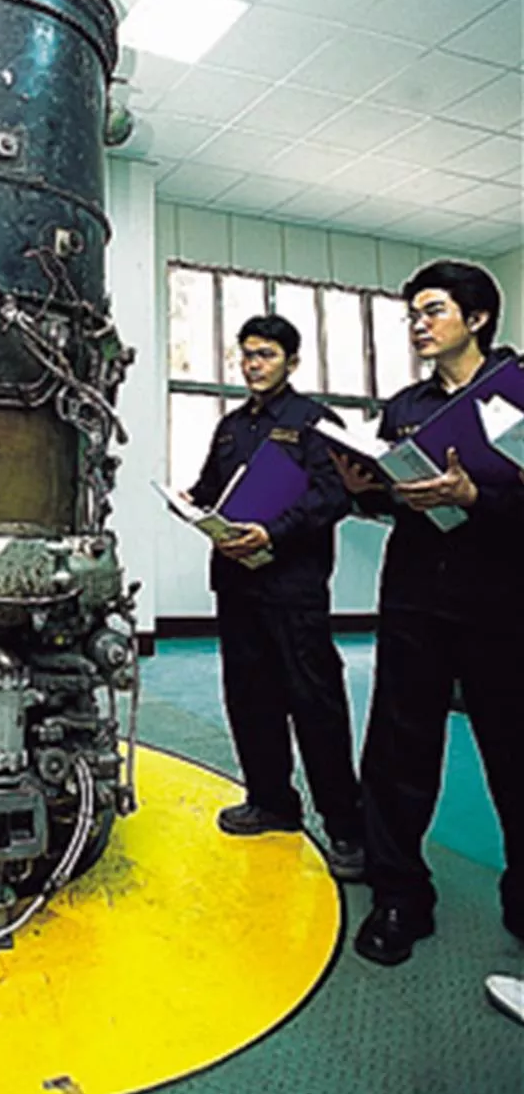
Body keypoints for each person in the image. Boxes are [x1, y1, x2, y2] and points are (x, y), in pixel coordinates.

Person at [333, 260, 523, 966]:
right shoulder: (405, 405)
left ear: (477, 318)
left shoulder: (518, 389)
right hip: (416, 596)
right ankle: (400, 895)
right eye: (412, 313)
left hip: (505, 600)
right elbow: (392, 496)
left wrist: (477, 498)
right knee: (398, 750)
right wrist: (366, 489)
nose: (418, 323)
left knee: (515, 750)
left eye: (433, 309)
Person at [186, 314, 363, 879]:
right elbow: (211, 488)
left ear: (292, 361)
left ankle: (346, 827)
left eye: (264, 354)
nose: (252, 364)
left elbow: (333, 496)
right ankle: (271, 802)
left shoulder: (316, 423)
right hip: (237, 584)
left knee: (315, 705)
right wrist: (190, 503)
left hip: (293, 589)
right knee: (249, 698)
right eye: (246, 354)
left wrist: (274, 532)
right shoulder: (231, 426)